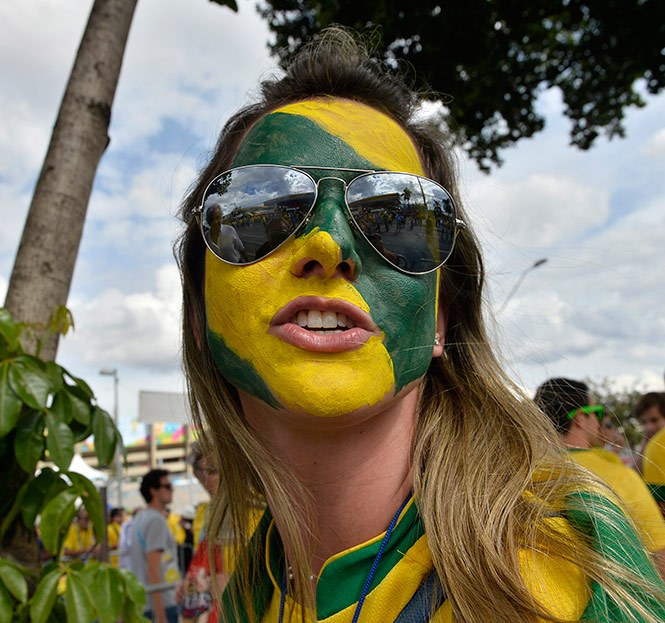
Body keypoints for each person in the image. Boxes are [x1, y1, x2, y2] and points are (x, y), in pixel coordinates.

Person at [176, 29, 665, 623]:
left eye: (397, 216)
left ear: (439, 319)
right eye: (258, 208)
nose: (328, 244)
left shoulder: (557, 564)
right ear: (200, 312)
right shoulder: (253, 591)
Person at [534, 377, 665, 577]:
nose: (599, 421)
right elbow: (660, 557)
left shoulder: (528, 476)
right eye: (596, 412)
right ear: (579, 417)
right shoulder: (617, 477)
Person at [131, 469, 180, 623]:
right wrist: (160, 615)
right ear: (153, 491)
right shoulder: (155, 521)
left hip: (148, 602)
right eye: (167, 486)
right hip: (161, 603)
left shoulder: (141, 517)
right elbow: (153, 569)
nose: (172, 489)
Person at [638, 392, 665, 505]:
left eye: (654, 420)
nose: (649, 427)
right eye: (644, 422)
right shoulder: (649, 445)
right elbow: (636, 476)